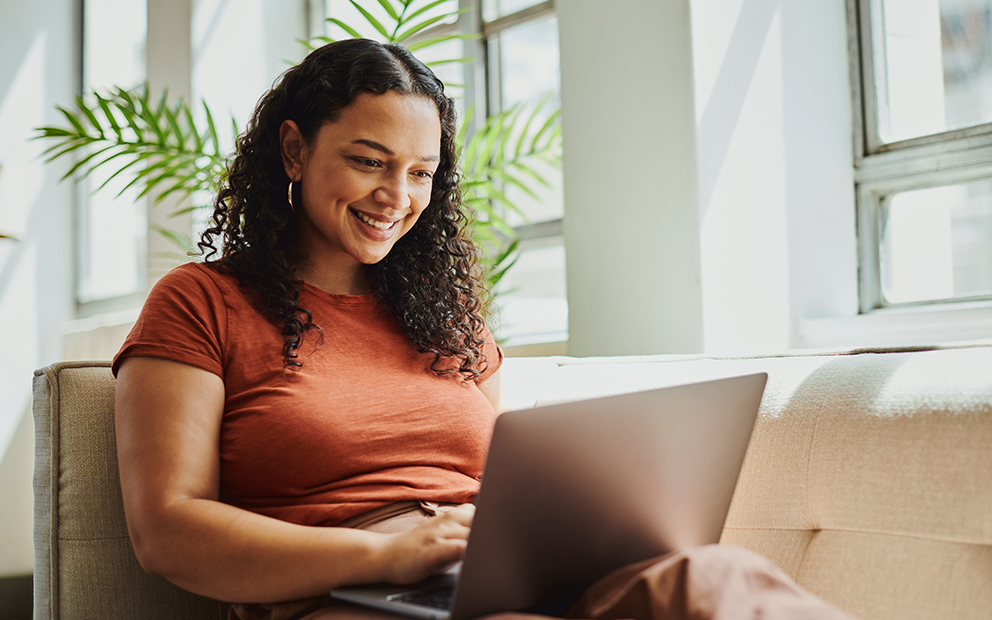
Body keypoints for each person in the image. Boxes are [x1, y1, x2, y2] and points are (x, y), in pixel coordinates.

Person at [113, 39, 856, 620]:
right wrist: (384, 558)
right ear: (295, 151)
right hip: (343, 597)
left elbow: (504, 482)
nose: (395, 197)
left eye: (420, 173)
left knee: (719, 574)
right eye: (369, 162)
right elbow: (168, 532)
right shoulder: (199, 303)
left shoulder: (444, 315)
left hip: (487, 573)